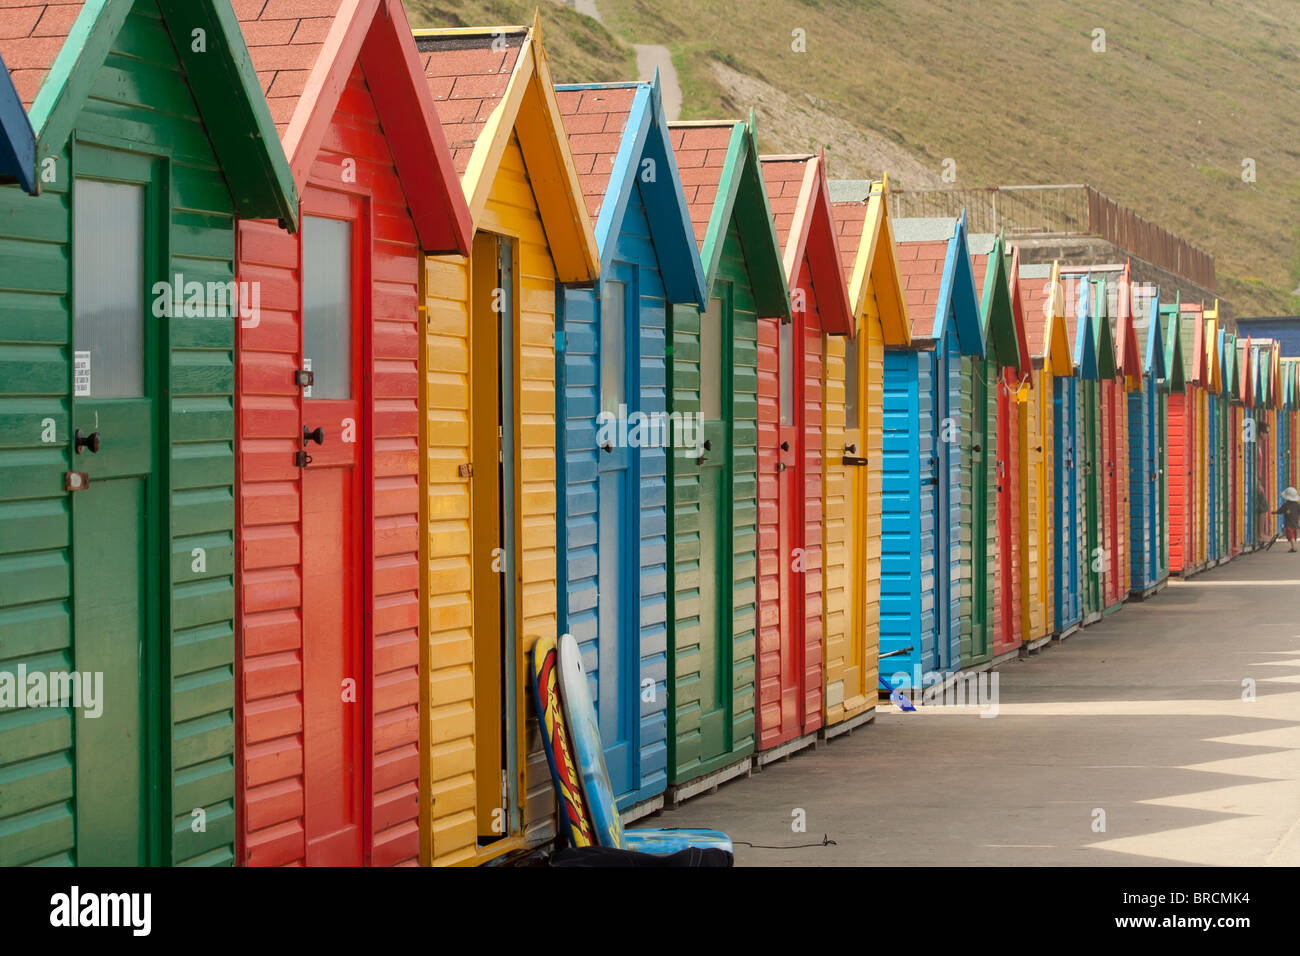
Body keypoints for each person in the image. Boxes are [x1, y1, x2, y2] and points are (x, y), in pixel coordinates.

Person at [1275, 487, 1300, 553]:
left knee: (1290, 536)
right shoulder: (1297, 505)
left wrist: (1275, 512)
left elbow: (1280, 511)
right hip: (1295, 523)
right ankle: (1293, 547)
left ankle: (1294, 548)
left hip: (1289, 524)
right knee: (1294, 536)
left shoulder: (1286, 505)